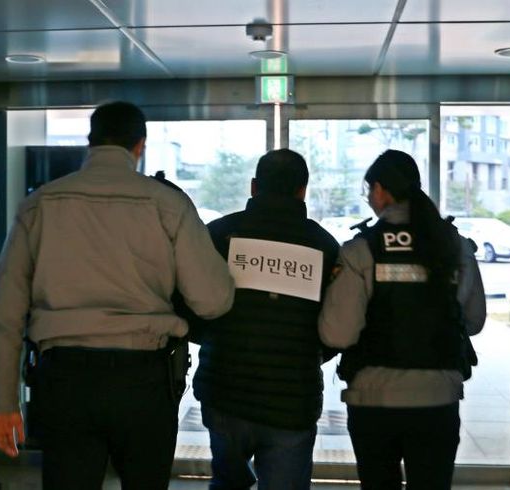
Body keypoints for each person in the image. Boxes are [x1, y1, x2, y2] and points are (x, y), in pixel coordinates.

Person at [0, 101, 235, 490]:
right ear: (140, 146)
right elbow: (213, 300)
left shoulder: (40, 204)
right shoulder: (168, 204)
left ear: (91, 142)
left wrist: (2, 403)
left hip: (64, 378)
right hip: (145, 380)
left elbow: (5, 312)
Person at [318, 149, 486, 490]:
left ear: (380, 190)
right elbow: (474, 321)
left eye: (369, 191)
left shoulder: (361, 249)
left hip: (374, 402)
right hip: (439, 400)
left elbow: (338, 334)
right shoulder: (454, 245)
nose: (369, 198)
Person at [192, 149, 339, 490]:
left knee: (227, 483)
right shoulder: (322, 245)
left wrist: (214, 340)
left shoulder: (219, 235)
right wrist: (310, 354)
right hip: (292, 398)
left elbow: (194, 306)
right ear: (302, 190)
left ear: (254, 186)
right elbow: (334, 325)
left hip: (225, 391)